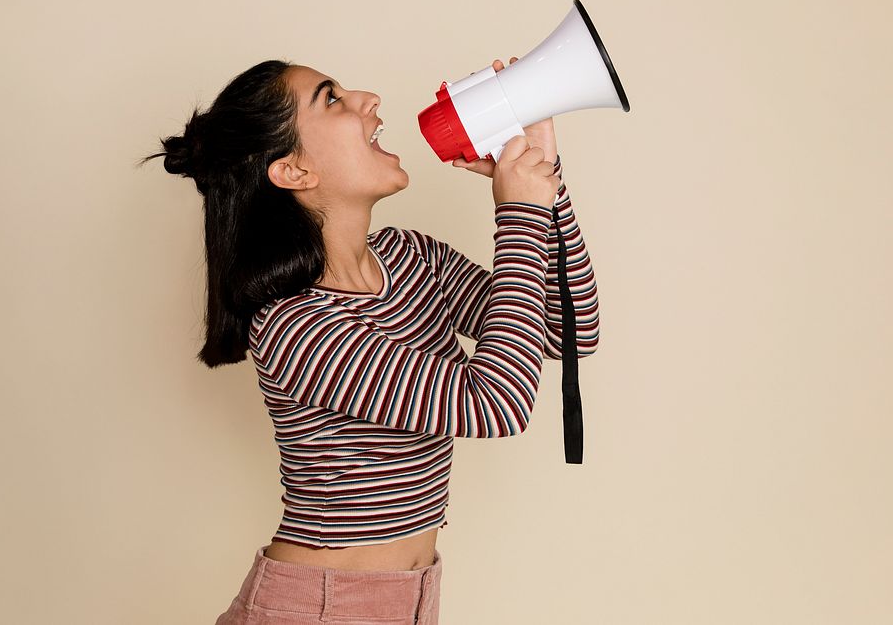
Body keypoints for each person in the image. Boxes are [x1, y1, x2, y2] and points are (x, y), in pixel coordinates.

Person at [139, 58, 600, 624]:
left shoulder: (411, 259)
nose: (368, 99)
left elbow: (568, 331)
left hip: (408, 602)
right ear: (292, 171)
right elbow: (494, 403)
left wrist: (547, 181)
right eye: (331, 100)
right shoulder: (294, 327)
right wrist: (520, 213)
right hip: (316, 608)